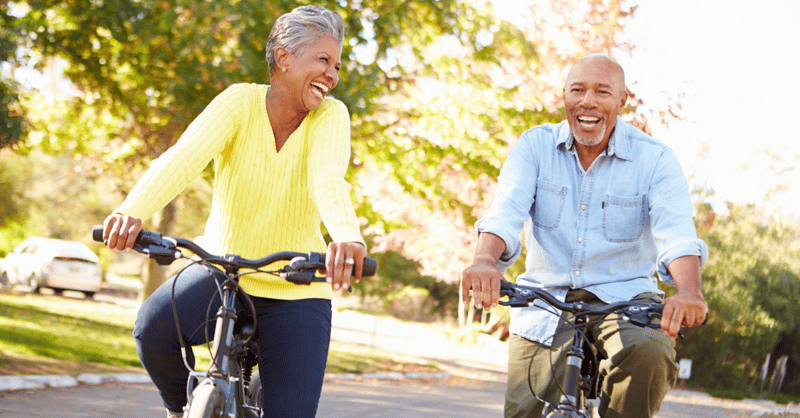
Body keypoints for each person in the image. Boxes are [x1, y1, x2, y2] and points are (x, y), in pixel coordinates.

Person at [101, 6, 366, 418]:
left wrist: (347, 237)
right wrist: (131, 210)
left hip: (296, 286)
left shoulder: (331, 117)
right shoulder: (238, 103)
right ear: (284, 58)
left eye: (336, 65)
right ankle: (182, 408)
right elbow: (185, 157)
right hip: (222, 270)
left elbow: (327, 178)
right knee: (152, 330)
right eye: (323, 60)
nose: (333, 75)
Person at [460, 53, 709, 418]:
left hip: (626, 299)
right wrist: (484, 261)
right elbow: (505, 212)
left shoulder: (654, 159)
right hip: (546, 297)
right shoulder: (534, 147)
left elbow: (678, 235)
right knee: (525, 410)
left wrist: (689, 291)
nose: (588, 101)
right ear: (564, 96)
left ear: (622, 101)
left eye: (603, 92)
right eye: (577, 90)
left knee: (650, 352)